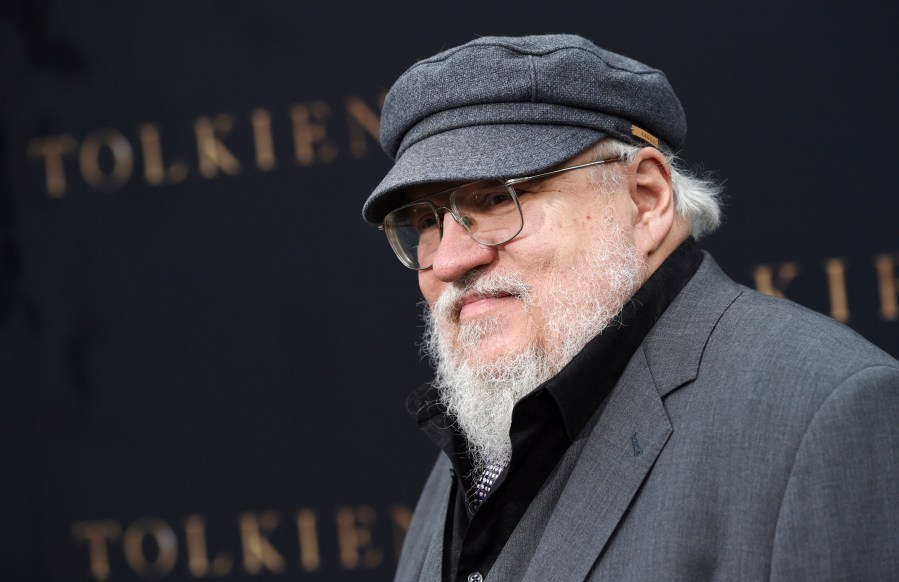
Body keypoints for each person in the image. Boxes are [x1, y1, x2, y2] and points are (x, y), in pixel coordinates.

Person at [361, 34, 899, 581]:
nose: (450, 260)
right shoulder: (490, 423)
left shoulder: (822, 413)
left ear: (646, 199)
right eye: (427, 222)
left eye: (499, 198)